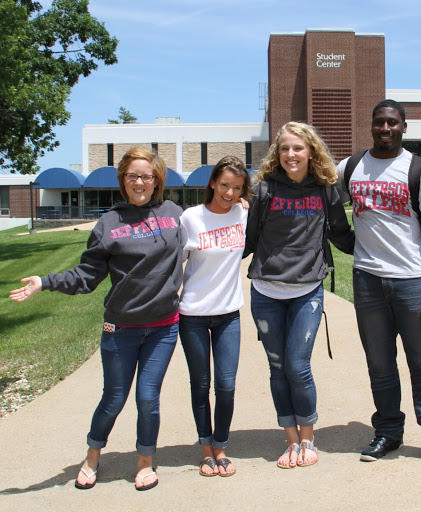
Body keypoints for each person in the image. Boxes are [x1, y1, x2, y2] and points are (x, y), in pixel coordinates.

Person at [9, 146, 183, 490]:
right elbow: (87, 276)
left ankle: (145, 462)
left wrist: (237, 208)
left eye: (146, 176)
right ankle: (92, 456)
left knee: (148, 398)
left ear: (157, 180)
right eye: (132, 175)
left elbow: (210, 226)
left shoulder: (175, 213)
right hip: (121, 328)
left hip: (163, 327)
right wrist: (45, 282)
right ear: (123, 180)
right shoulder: (109, 223)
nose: (139, 182)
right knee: (114, 398)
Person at [337, 99, 421, 470]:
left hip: (410, 282)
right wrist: (346, 242)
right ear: (371, 126)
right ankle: (389, 431)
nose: (385, 128)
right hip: (368, 280)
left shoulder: (420, 171)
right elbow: (326, 203)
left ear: (404, 127)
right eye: (379, 122)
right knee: (380, 363)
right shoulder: (352, 168)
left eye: (392, 123)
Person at [244, 122, 354, 469]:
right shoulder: (264, 189)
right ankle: (290, 439)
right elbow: (247, 240)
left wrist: (375, 250)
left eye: (298, 148)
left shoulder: (326, 188)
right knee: (277, 368)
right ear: (278, 153)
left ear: (311, 152)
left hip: (307, 290)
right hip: (265, 290)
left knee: (297, 365)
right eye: (285, 148)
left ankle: (308, 437)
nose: (291, 155)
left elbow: (339, 232)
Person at [179, 156, 252, 477]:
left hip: (228, 316)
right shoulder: (190, 218)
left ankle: (221, 446)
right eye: (224, 185)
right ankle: (206, 449)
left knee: (226, 385)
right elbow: (171, 265)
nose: (229, 193)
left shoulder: (243, 213)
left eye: (236, 188)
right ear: (212, 183)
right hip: (192, 315)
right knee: (201, 384)